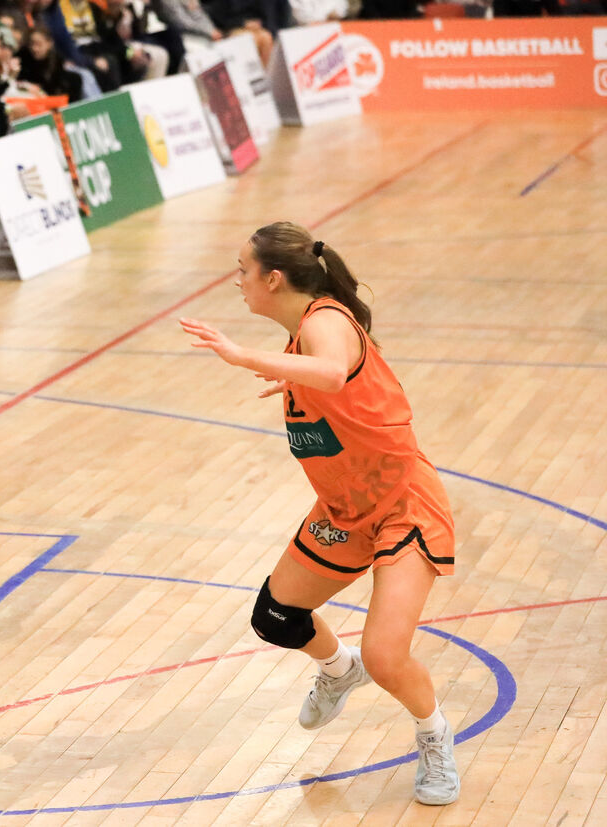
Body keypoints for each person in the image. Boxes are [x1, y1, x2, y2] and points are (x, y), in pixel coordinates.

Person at [179, 222, 460, 807]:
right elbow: (329, 387)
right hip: (344, 508)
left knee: (386, 655)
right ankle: (337, 669)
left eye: (242, 270)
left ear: (273, 278)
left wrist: (239, 355)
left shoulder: (325, 321)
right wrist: (284, 372)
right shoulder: (297, 340)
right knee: (277, 617)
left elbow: (334, 373)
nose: (238, 282)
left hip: (403, 504)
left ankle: (435, 737)